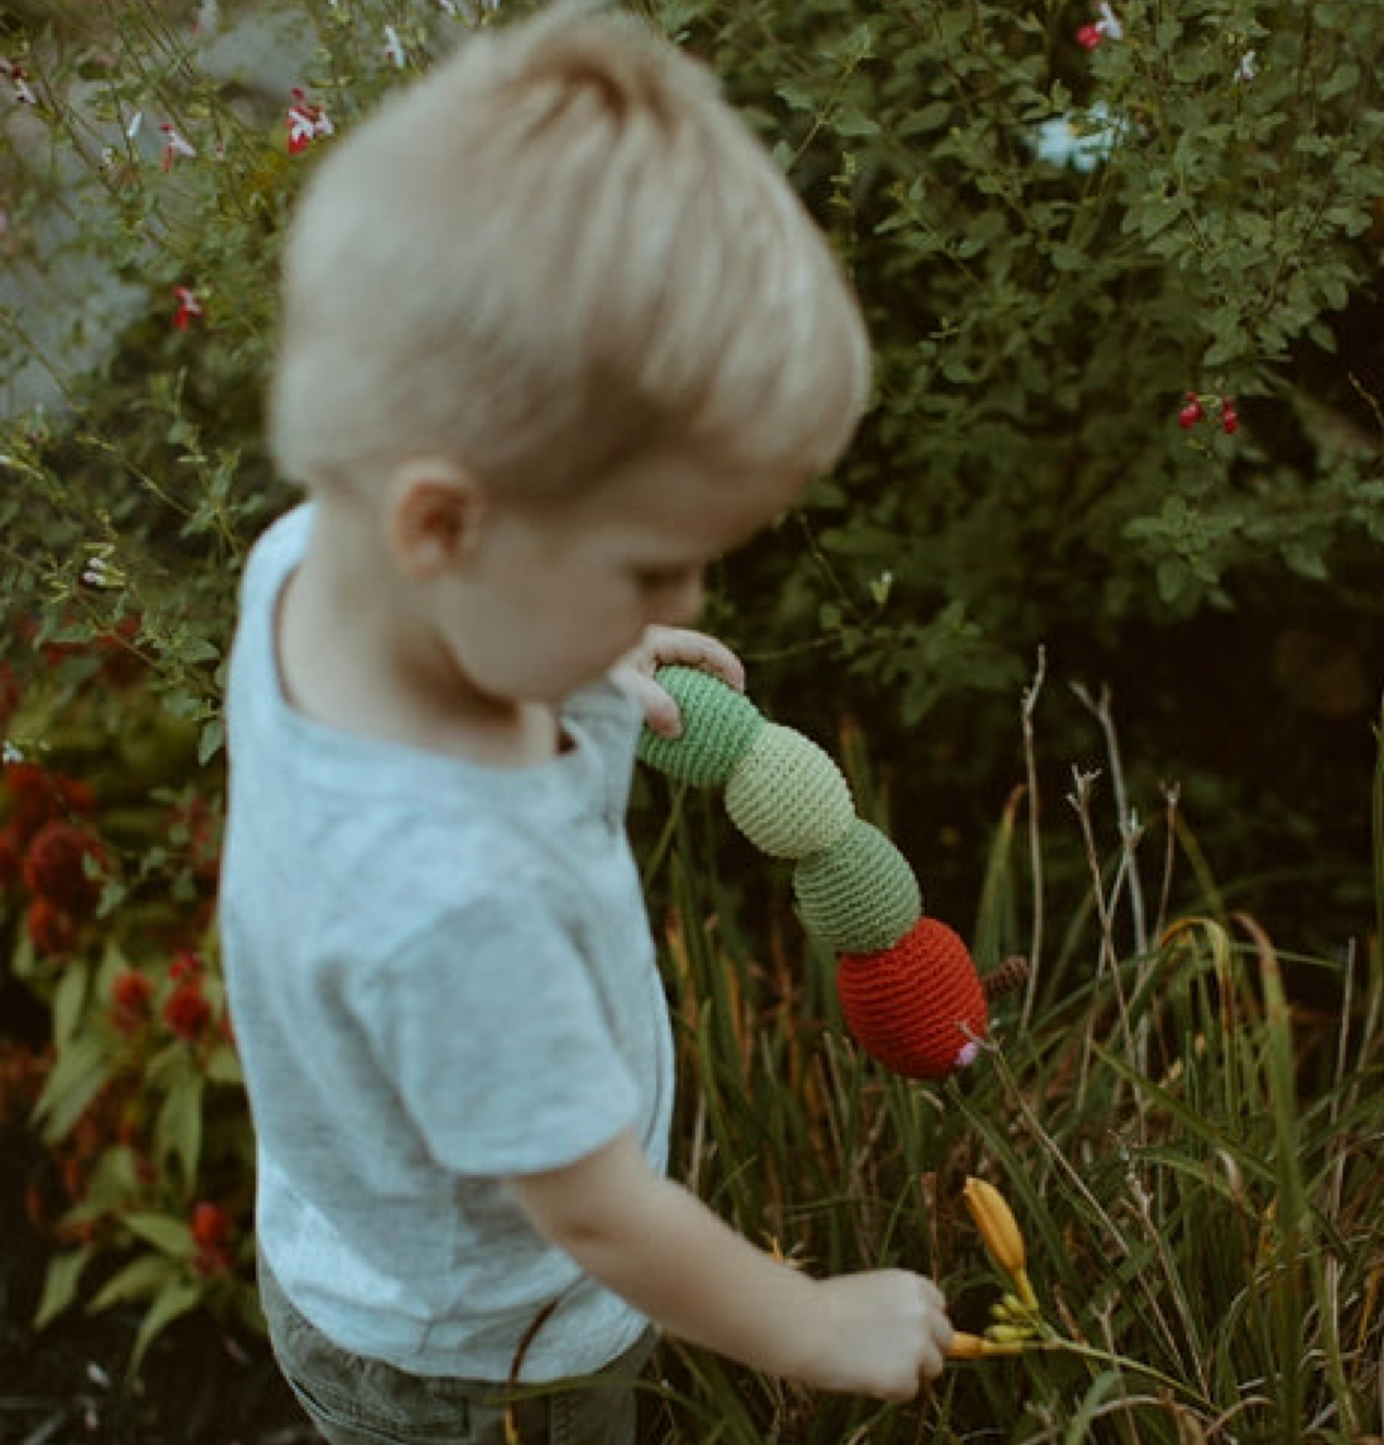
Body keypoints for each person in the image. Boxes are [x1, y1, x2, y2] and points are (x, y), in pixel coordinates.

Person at [219, 5, 955, 1442]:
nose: (682, 596)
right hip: (484, 1355)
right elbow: (605, 1220)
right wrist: (815, 1323)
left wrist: (573, 647)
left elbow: (462, 619)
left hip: (351, 1231)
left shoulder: (309, 560)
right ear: (445, 522)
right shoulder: (455, 906)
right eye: (646, 566)